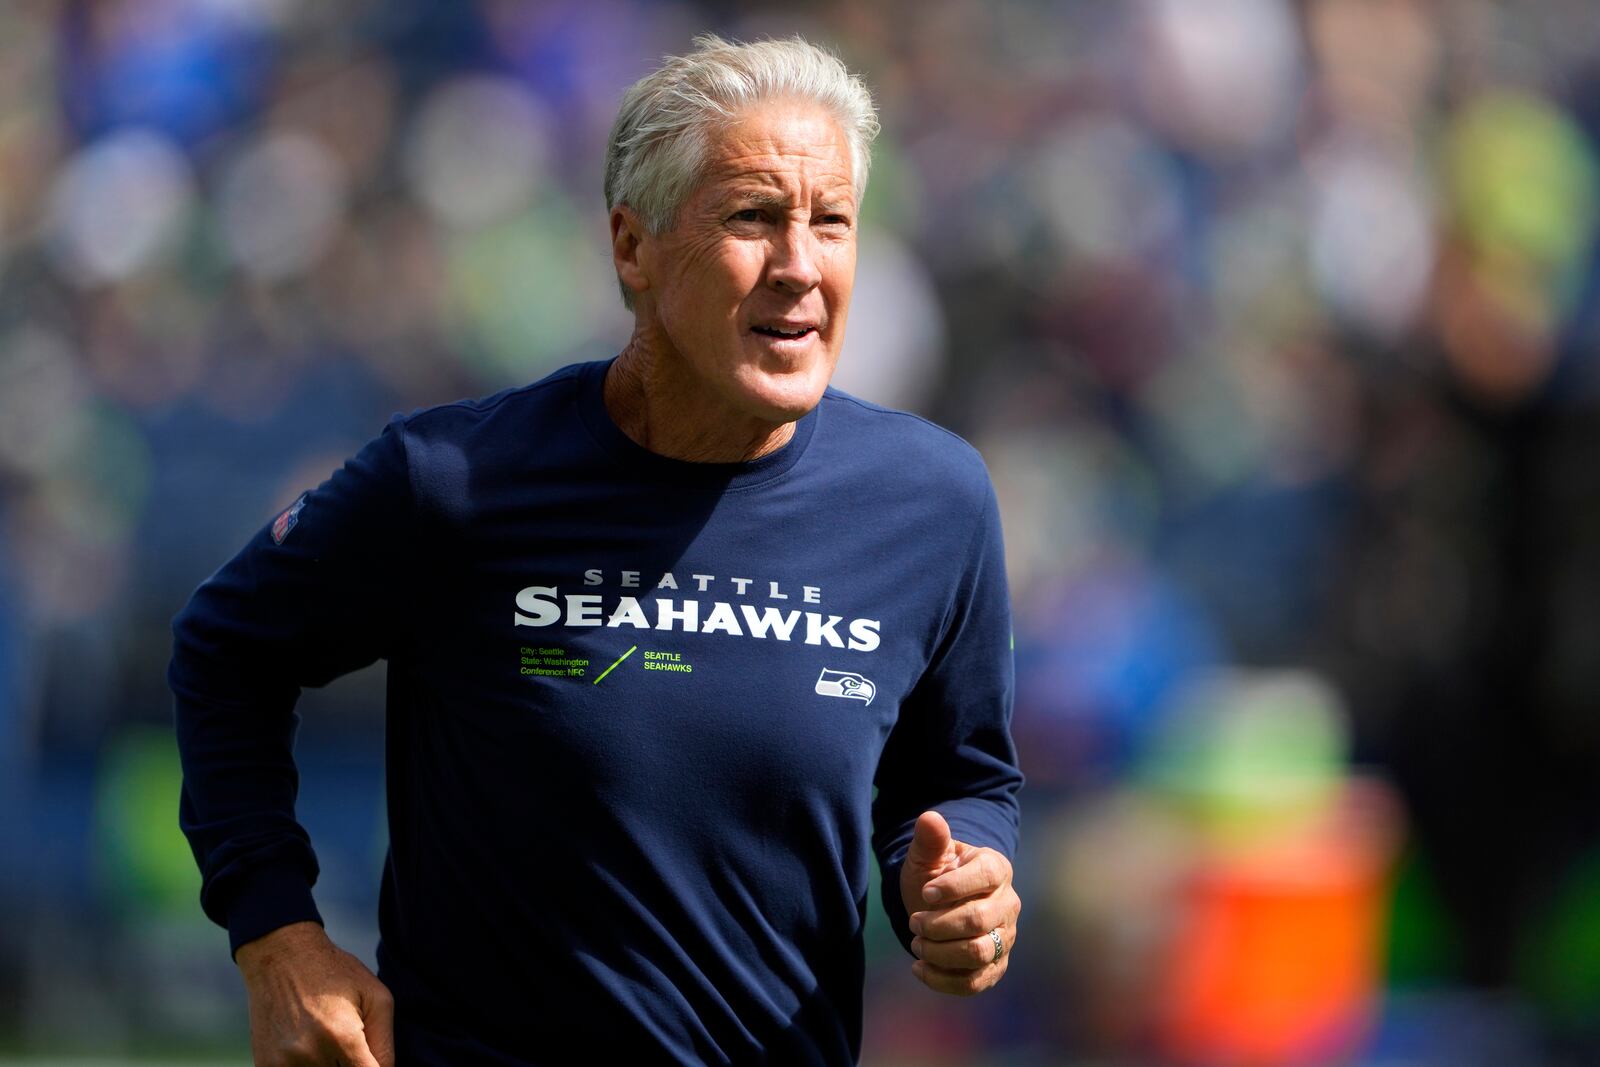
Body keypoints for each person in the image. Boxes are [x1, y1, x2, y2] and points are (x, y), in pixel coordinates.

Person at [171, 34, 1022, 1066]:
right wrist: (277, 935)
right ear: (633, 248)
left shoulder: (932, 500)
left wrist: (962, 880)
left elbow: (963, 774)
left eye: (831, 222)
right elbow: (225, 646)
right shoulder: (453, 478)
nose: (800, 265)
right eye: (752, 217)